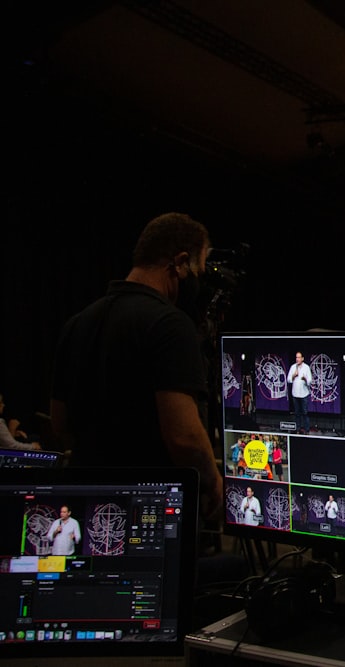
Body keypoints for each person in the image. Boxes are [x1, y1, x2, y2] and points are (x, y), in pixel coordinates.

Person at [49, 213, 223, 519]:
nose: (200, 279)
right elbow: (184, 437)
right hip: (147, 506)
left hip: (86, 502)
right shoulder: (170, 324)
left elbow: (59, 423)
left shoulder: (77, 323)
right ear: (180, 263)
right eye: (200, 268)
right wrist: (213, 481)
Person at [287, 351, 312, 434]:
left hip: (304, 394)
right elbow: (288, 380)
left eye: (299, 357)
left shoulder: (306, 367)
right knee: (297, 413)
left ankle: (307, 430)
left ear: (302, 358)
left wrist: (305, 379)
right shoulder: (293, 367)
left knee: (305, 413)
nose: (297, 359)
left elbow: (310, 381)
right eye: (296, 357)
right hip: (295, 394)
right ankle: (298, 429)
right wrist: (294, 375)